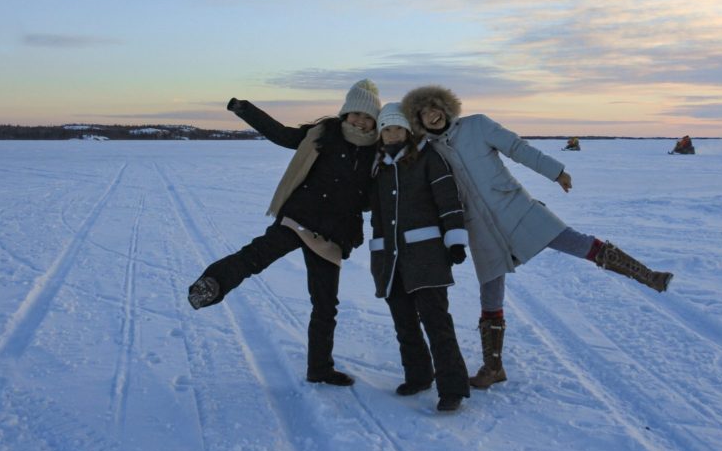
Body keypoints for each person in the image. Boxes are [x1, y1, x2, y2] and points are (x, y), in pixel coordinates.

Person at [401, 85, 673, 389]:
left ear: (446, 107)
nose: (432, 115)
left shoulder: (477, 125)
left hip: (515, 207)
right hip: (479, 228)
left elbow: (517, 148)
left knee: (576, 242)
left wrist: (556, 172)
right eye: (423, 112)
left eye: (434, 107)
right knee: (490, 293)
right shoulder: (430, 149)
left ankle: (649, 276)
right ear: (418, 119)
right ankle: (493, 369)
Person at [188, 79, 381, 386]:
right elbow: (281, 134)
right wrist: (244, 109)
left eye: (367, 116)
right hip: (301, 217)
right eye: (355, 113)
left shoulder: (377, 151)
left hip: (334, 233)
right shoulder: (321, 134)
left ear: (375, 120)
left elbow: (373, 194)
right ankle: (212, 283)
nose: (360, 120)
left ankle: (319, 368)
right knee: (255, 257)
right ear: (345, 113)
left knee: (325, 305)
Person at [368, 103, 471, 412]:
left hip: (426, 256)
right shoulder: (378, 167)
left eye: (397, 128)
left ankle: (452, 387)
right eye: (386, 129)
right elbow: (374, 214)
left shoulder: (428, 159)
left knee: (437, 322)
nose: (392, 134)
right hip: (390, 258)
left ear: (408, 131)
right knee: (404, 322)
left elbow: (448, 199)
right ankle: (418, 375)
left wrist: (455, 240)